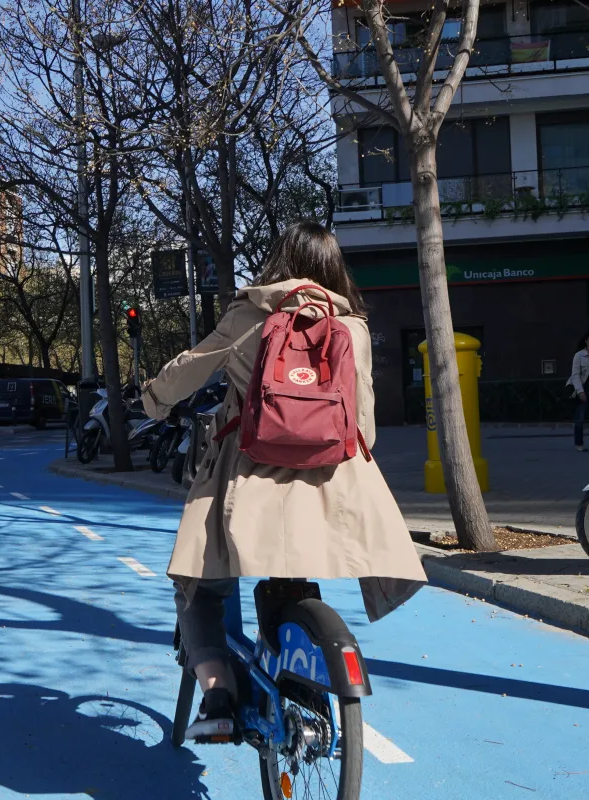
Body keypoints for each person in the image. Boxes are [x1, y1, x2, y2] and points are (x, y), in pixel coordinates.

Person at [142, 221, 427, 740]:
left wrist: (153, 400)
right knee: (301, 564)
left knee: (199, 585)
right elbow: (364, 425)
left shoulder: (251, 312)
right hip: (332, 480)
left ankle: (219, 695)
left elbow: (189, 369)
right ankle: (303, 665)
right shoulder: (354, 326)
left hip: (246, 473)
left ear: (280, 259)